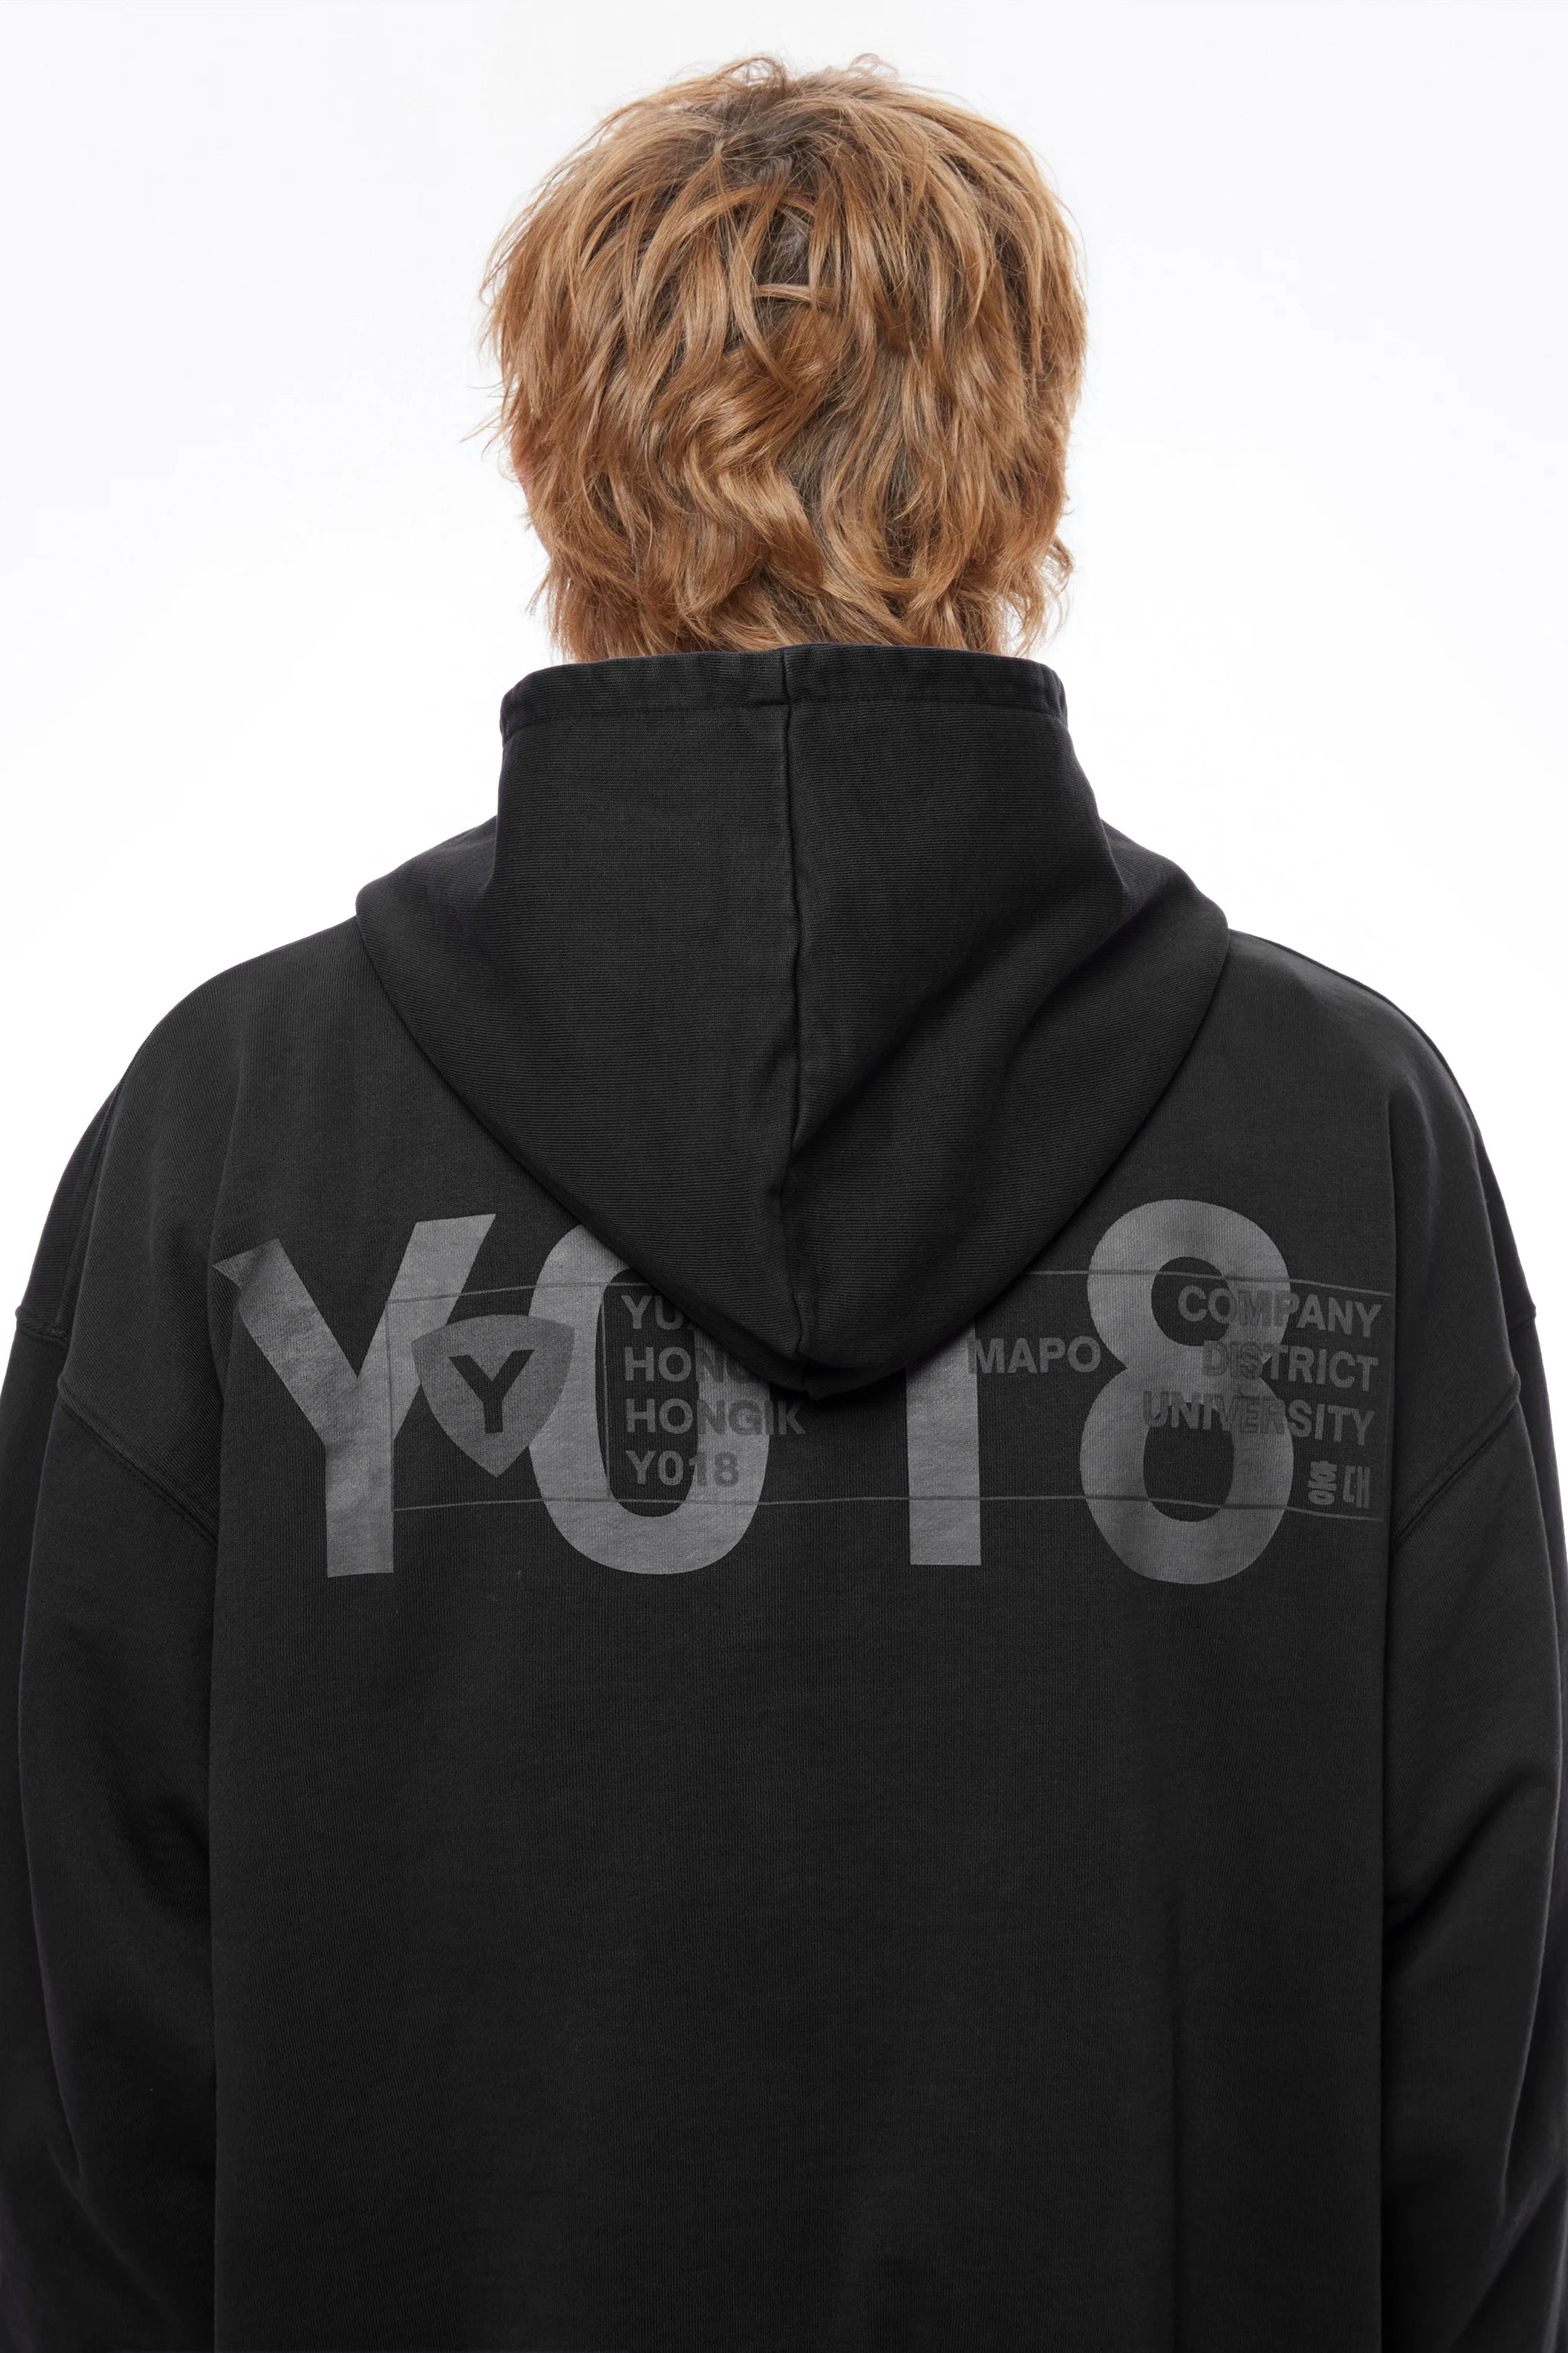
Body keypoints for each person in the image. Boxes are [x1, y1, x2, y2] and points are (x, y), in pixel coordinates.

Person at [1, 50, 1563, 2353]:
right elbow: (1484, 2076)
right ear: (1020, 451)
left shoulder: (232, 1136)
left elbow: (81, 2087)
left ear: (558, 449)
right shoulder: (1343, 1138)